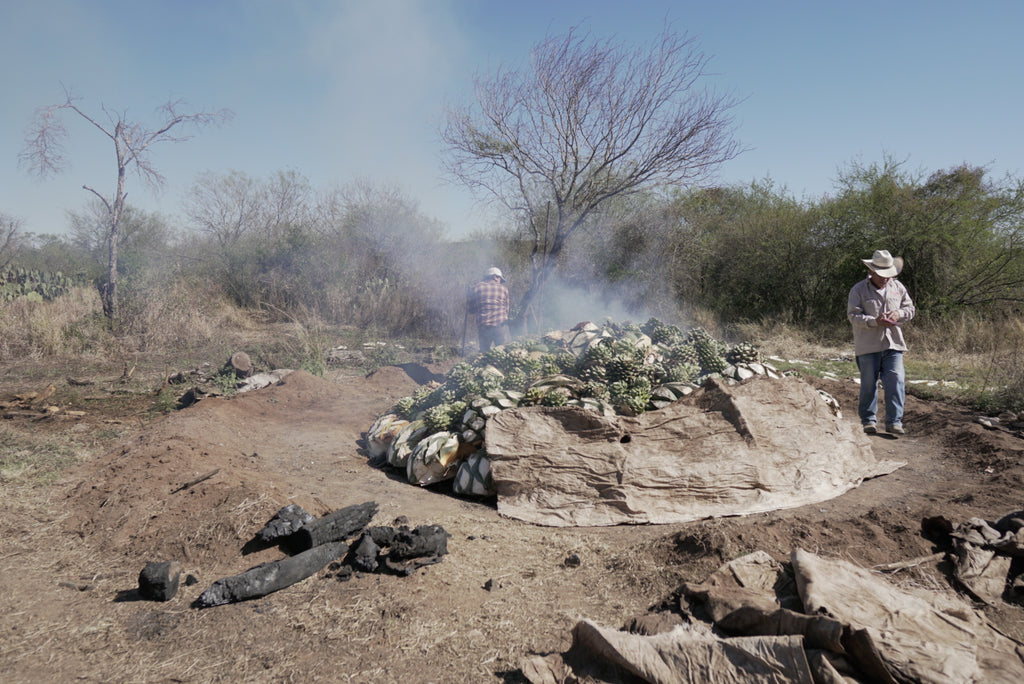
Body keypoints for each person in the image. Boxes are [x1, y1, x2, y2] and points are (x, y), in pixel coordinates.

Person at [847, 249, 916, 436]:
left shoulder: (898, 288)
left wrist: (898, 314)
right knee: (869, 383)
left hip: (893, 343)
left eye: (888, 275)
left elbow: (909, 309)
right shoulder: (858, 290)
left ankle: (894, 421)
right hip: (868, 345)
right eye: (881, 275)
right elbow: (853, 316)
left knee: (896, 379)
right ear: (872, 271)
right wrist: (874, 321)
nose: (885, 279)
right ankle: (868, 420)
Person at [468, 267, 510, 351]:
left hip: (484, 326)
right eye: (499, 279)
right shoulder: (504, 289)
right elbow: (506, 310)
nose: (500, 281)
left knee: (484, 352)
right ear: (495, 277)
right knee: (501, 351)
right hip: (500, 325)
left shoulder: (476, 288)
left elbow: (471, 309)